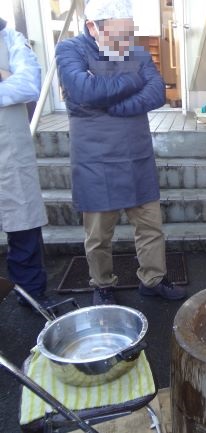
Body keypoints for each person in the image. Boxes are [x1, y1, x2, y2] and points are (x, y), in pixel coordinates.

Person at [55, 0, 185, 305]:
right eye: (118, 35)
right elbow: (83, 92)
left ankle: (152, 279)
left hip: (136, 154)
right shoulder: (70, 50)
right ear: (93, 28)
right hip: (95, 158)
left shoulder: (136, 52)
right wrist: (132, 80)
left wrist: (115, 105)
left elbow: (157, 93)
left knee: (150, 225)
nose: (125, 42)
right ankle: (102, 284)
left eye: (128, 34)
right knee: (99, 234)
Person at [0, 18, 58, 310]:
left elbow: (27, 85)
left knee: (23, 228)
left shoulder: (12, 38)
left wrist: (10, 78)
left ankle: (32, 295)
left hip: (11, 152)